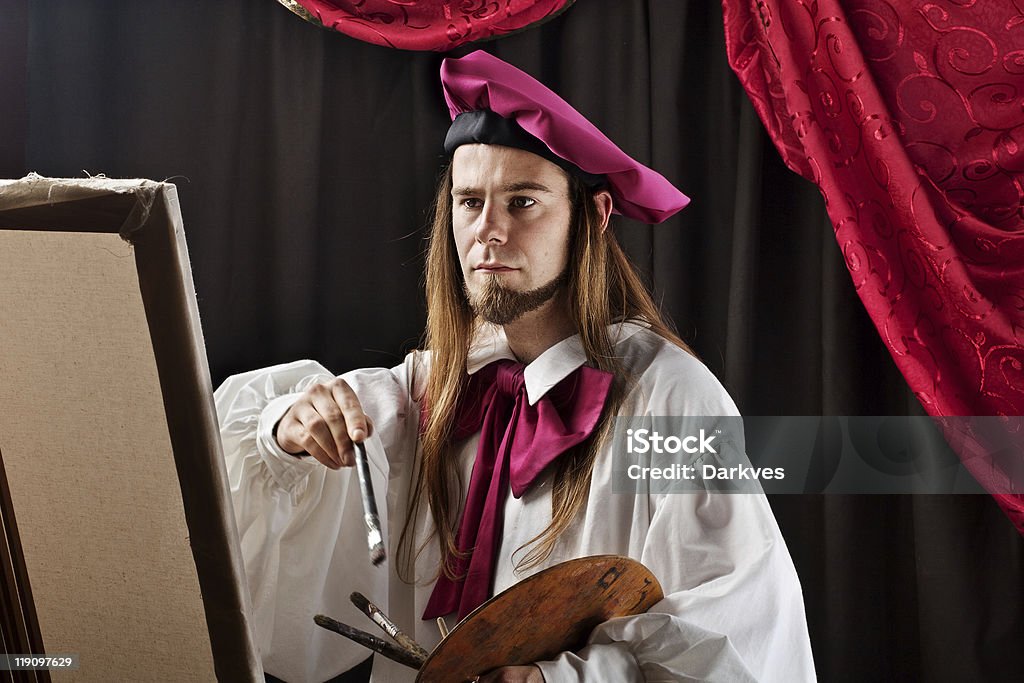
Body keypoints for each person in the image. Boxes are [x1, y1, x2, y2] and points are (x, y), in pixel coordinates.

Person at [216, 51, 816, 682]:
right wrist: (286, 432)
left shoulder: (669, 397)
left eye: (522, 202)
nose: (488, 232)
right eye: (469, 202)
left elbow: (738, 629)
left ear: (594, 216)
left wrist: (562, 680)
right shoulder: (431, 388)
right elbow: (257, 524)